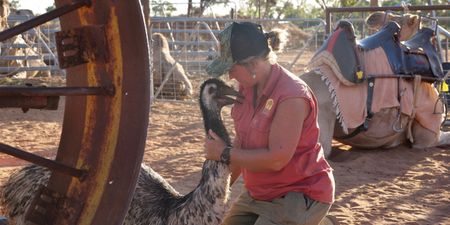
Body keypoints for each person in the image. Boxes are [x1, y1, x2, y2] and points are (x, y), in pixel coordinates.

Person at [204, 22, 335, 225]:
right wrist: (222, 189)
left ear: (254, 64)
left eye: (231, 68)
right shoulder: (247, 87)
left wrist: (223, 152)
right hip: (259, 193)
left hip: (298, 194)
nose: (229, 75)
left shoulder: (292, 96)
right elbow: (242, 141)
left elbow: (277, 159)